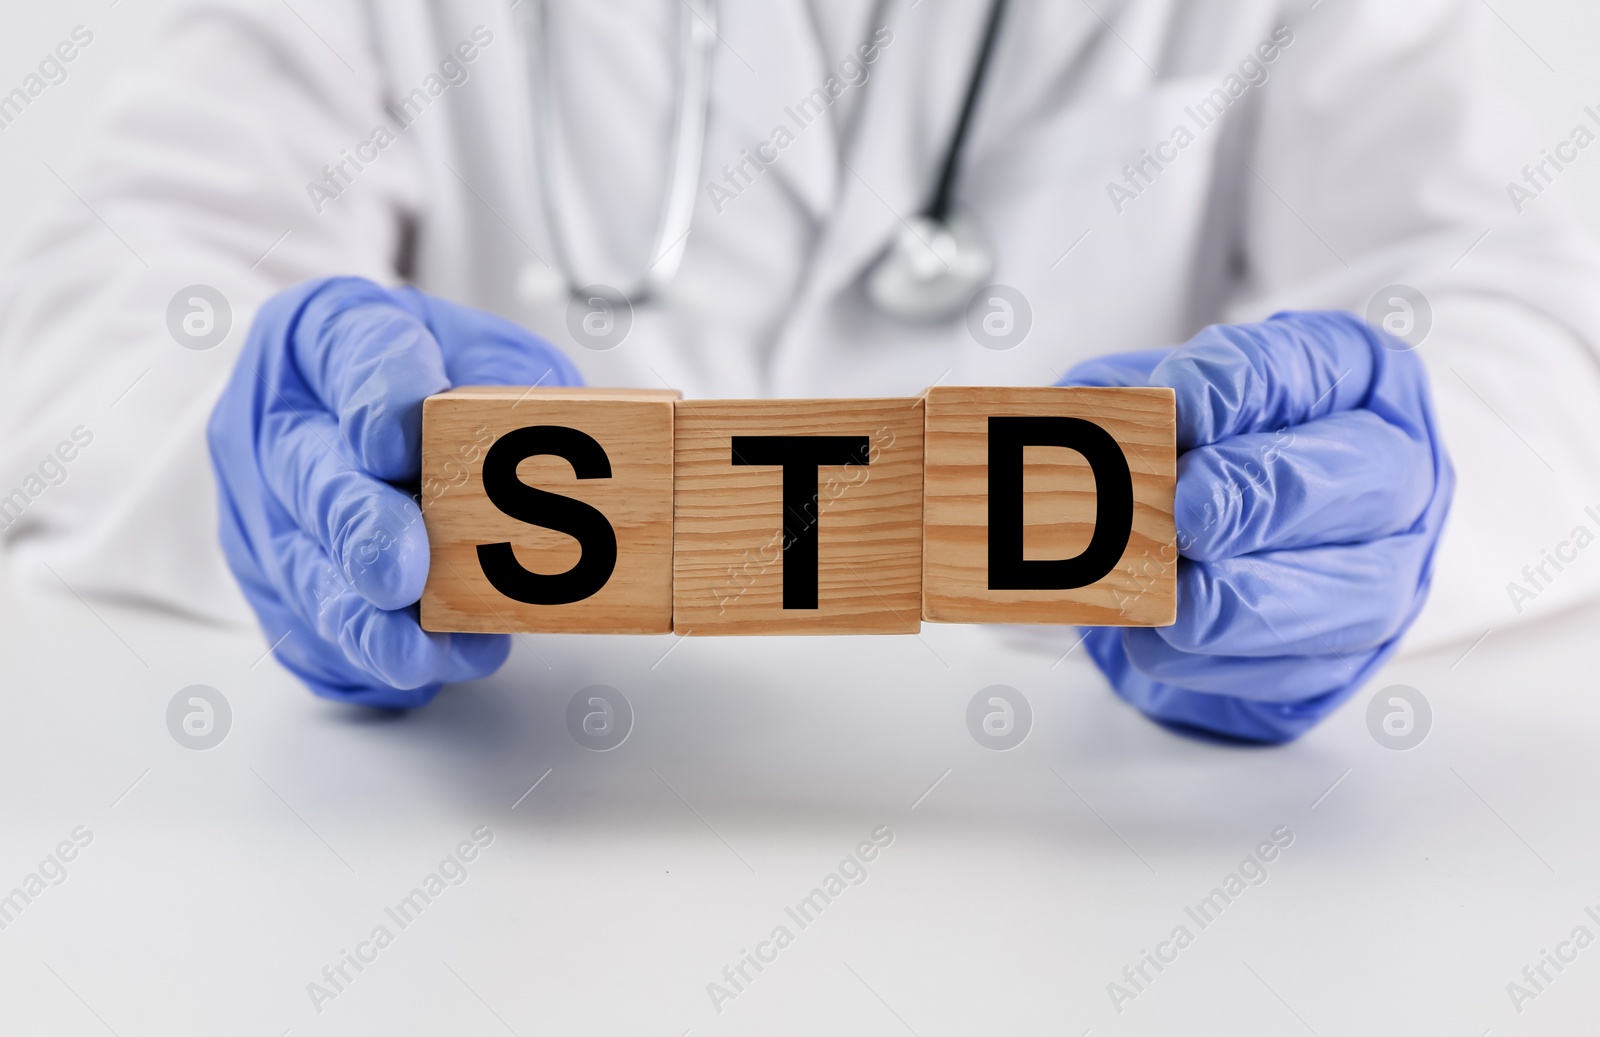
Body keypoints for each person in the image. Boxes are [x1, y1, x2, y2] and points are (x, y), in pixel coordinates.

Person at [2, 0, 1598, 743]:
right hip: (519, 848)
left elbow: (1531, 307)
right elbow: (108, 297)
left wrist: (1402, 475)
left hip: (1069, 867)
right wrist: (267, 446)